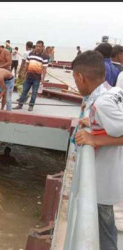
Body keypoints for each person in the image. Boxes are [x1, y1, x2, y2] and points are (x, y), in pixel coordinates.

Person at [73, 50, 123, 250]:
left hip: (103, 182)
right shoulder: (113, 92)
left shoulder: (102, 103)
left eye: (75, 80)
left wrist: (94, 139)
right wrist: (92, 121)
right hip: (110, 178)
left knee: (105, 233)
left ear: (80, 77)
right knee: (105, 226)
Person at [13, 40, 49, 111]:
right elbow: (27, 64)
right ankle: (20, 105)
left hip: (37, 78)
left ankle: (31, 106)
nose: (38, 47)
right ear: (35, 46)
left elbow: (44, 69)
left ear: (42, 47)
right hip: (28, 76)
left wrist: (43, 79)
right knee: (24, 91)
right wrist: (24, 73)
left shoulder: (45, 56)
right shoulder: (31, 54)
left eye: (40, 46)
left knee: (34, 93)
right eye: (37, 46)